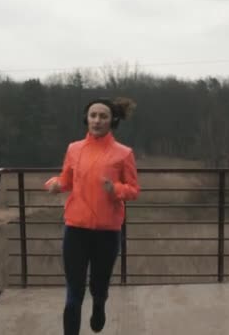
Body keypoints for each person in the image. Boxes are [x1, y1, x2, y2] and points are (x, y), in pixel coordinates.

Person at [44, 97, 140, 335]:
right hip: (75, 228)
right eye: (93, 115)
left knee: (99, 285)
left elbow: (133, 190)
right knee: (74, 291)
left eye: (103, 116)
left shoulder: (124, 153)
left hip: (107, 231)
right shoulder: (74, 149)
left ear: (113, 120)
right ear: (86, 118)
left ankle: (99, 305)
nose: (97, 120)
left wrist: (115, 189)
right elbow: (66, 180)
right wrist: (54, 184)